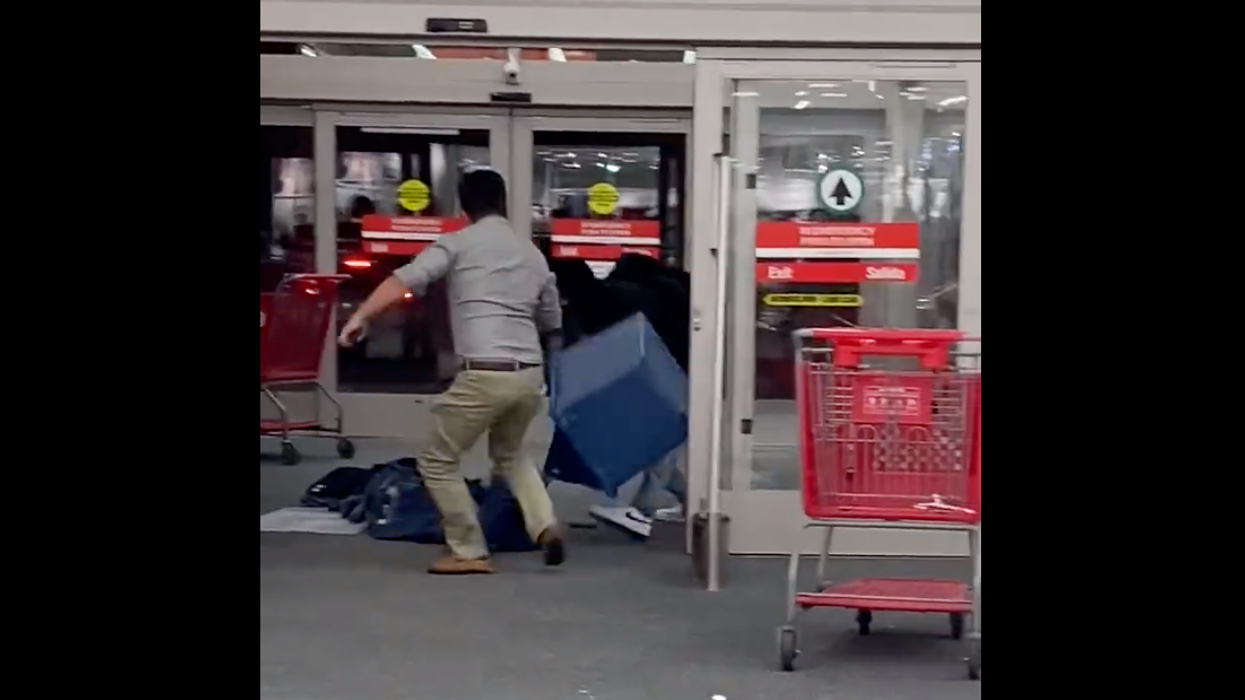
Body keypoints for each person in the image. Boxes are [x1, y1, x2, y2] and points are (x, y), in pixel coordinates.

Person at [338, 169, 566, 575]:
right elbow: (551, 317)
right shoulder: (530, 253)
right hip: (529, 374)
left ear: (463, 207)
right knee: (511, 453)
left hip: (484, 372)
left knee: (437, 459)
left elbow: (405, 278)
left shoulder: (457, 244)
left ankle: (468, 549)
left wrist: (361, 316)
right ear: (504, 202)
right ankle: (545, 524)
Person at [548, 255, 690, 539]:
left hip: (666, 372)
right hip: (672, 368)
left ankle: (642, 511)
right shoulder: (624, 293)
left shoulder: (612, 300)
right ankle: (689, 500)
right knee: (659, 444)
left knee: (659, 442)